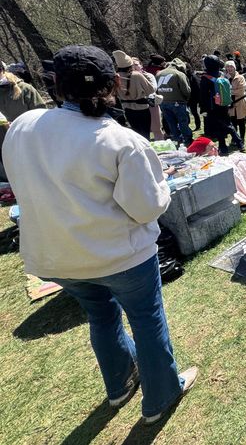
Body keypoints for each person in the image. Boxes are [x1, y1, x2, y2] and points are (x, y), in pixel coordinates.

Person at [3, 44, 198, 424]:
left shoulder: (24, 127)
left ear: (56, 84)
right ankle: (161, 394)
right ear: (113, 85)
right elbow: (146, 207)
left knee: (101, 316)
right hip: (120, 256)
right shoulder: (120, 140)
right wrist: (162, 188)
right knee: (145, 319)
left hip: (56, 256)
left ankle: (120, 383)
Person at [0, 61, 46, 182]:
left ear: (2, 70)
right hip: (4, 155)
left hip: (29, 148)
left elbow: (42, 118)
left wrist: (18, 124)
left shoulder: (25, 89)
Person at [199, 55, 244, 155]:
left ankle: (223, 147)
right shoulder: (221, 74)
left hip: (213, 107)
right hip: (224, 104)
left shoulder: (205, 78)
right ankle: (239, 142)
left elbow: (203, 95)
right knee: (228, 123)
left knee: (218, 126)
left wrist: (203, 108)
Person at [113, 50, 155, 138]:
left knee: (136, 135)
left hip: (127, 109)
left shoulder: (115, 77)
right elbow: (150, 90)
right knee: (145, 135)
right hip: (142, 109)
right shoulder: (137, 75)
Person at [156, 59, 193, 146]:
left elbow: (156, 89)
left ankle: (177, 139)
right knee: (183, 122)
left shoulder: (159, 74)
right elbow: (186, 91)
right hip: (178, 102)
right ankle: (187, 140)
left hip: (163, 102)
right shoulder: (179, 74)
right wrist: (185, 100)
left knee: (171, 122)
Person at [225, 61, 246, 148]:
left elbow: (241, 91)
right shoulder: (225, 78)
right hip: (230, 104)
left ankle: (242, 138)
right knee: (233, 123)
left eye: (231, 67)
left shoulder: (240, 77)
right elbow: (222, 90)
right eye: (228, 67)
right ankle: (235, 138)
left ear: (234, 67)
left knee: (241, 122)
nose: (229, 69)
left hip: (240, 103)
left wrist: (229, 91)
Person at [186, 63, 202, 131]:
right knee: (188, 112)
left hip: (193, 98)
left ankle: (198, 126)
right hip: (188, 97)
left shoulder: (193, 76)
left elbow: (197, 88)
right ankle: (188, 125)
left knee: (194, 112)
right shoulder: (187, 76)